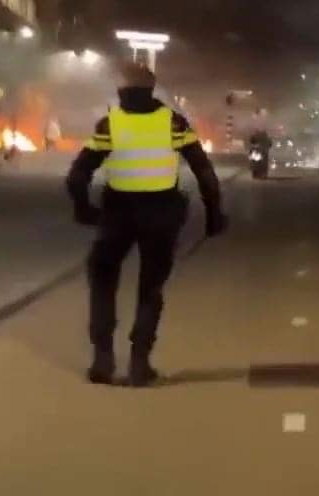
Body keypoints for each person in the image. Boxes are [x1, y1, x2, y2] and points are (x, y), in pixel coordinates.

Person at [66, 63, 227, 387]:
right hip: (162, 214)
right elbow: (203, 170)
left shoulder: (110, 124)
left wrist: (83, 208)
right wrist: (213, 214)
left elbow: (78, 174)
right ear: (151, 90)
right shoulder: (173, 122)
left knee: (102, 277)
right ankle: (139, 363)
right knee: (151, 288)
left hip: (118, 214)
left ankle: (102, 359)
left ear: (121, 92)